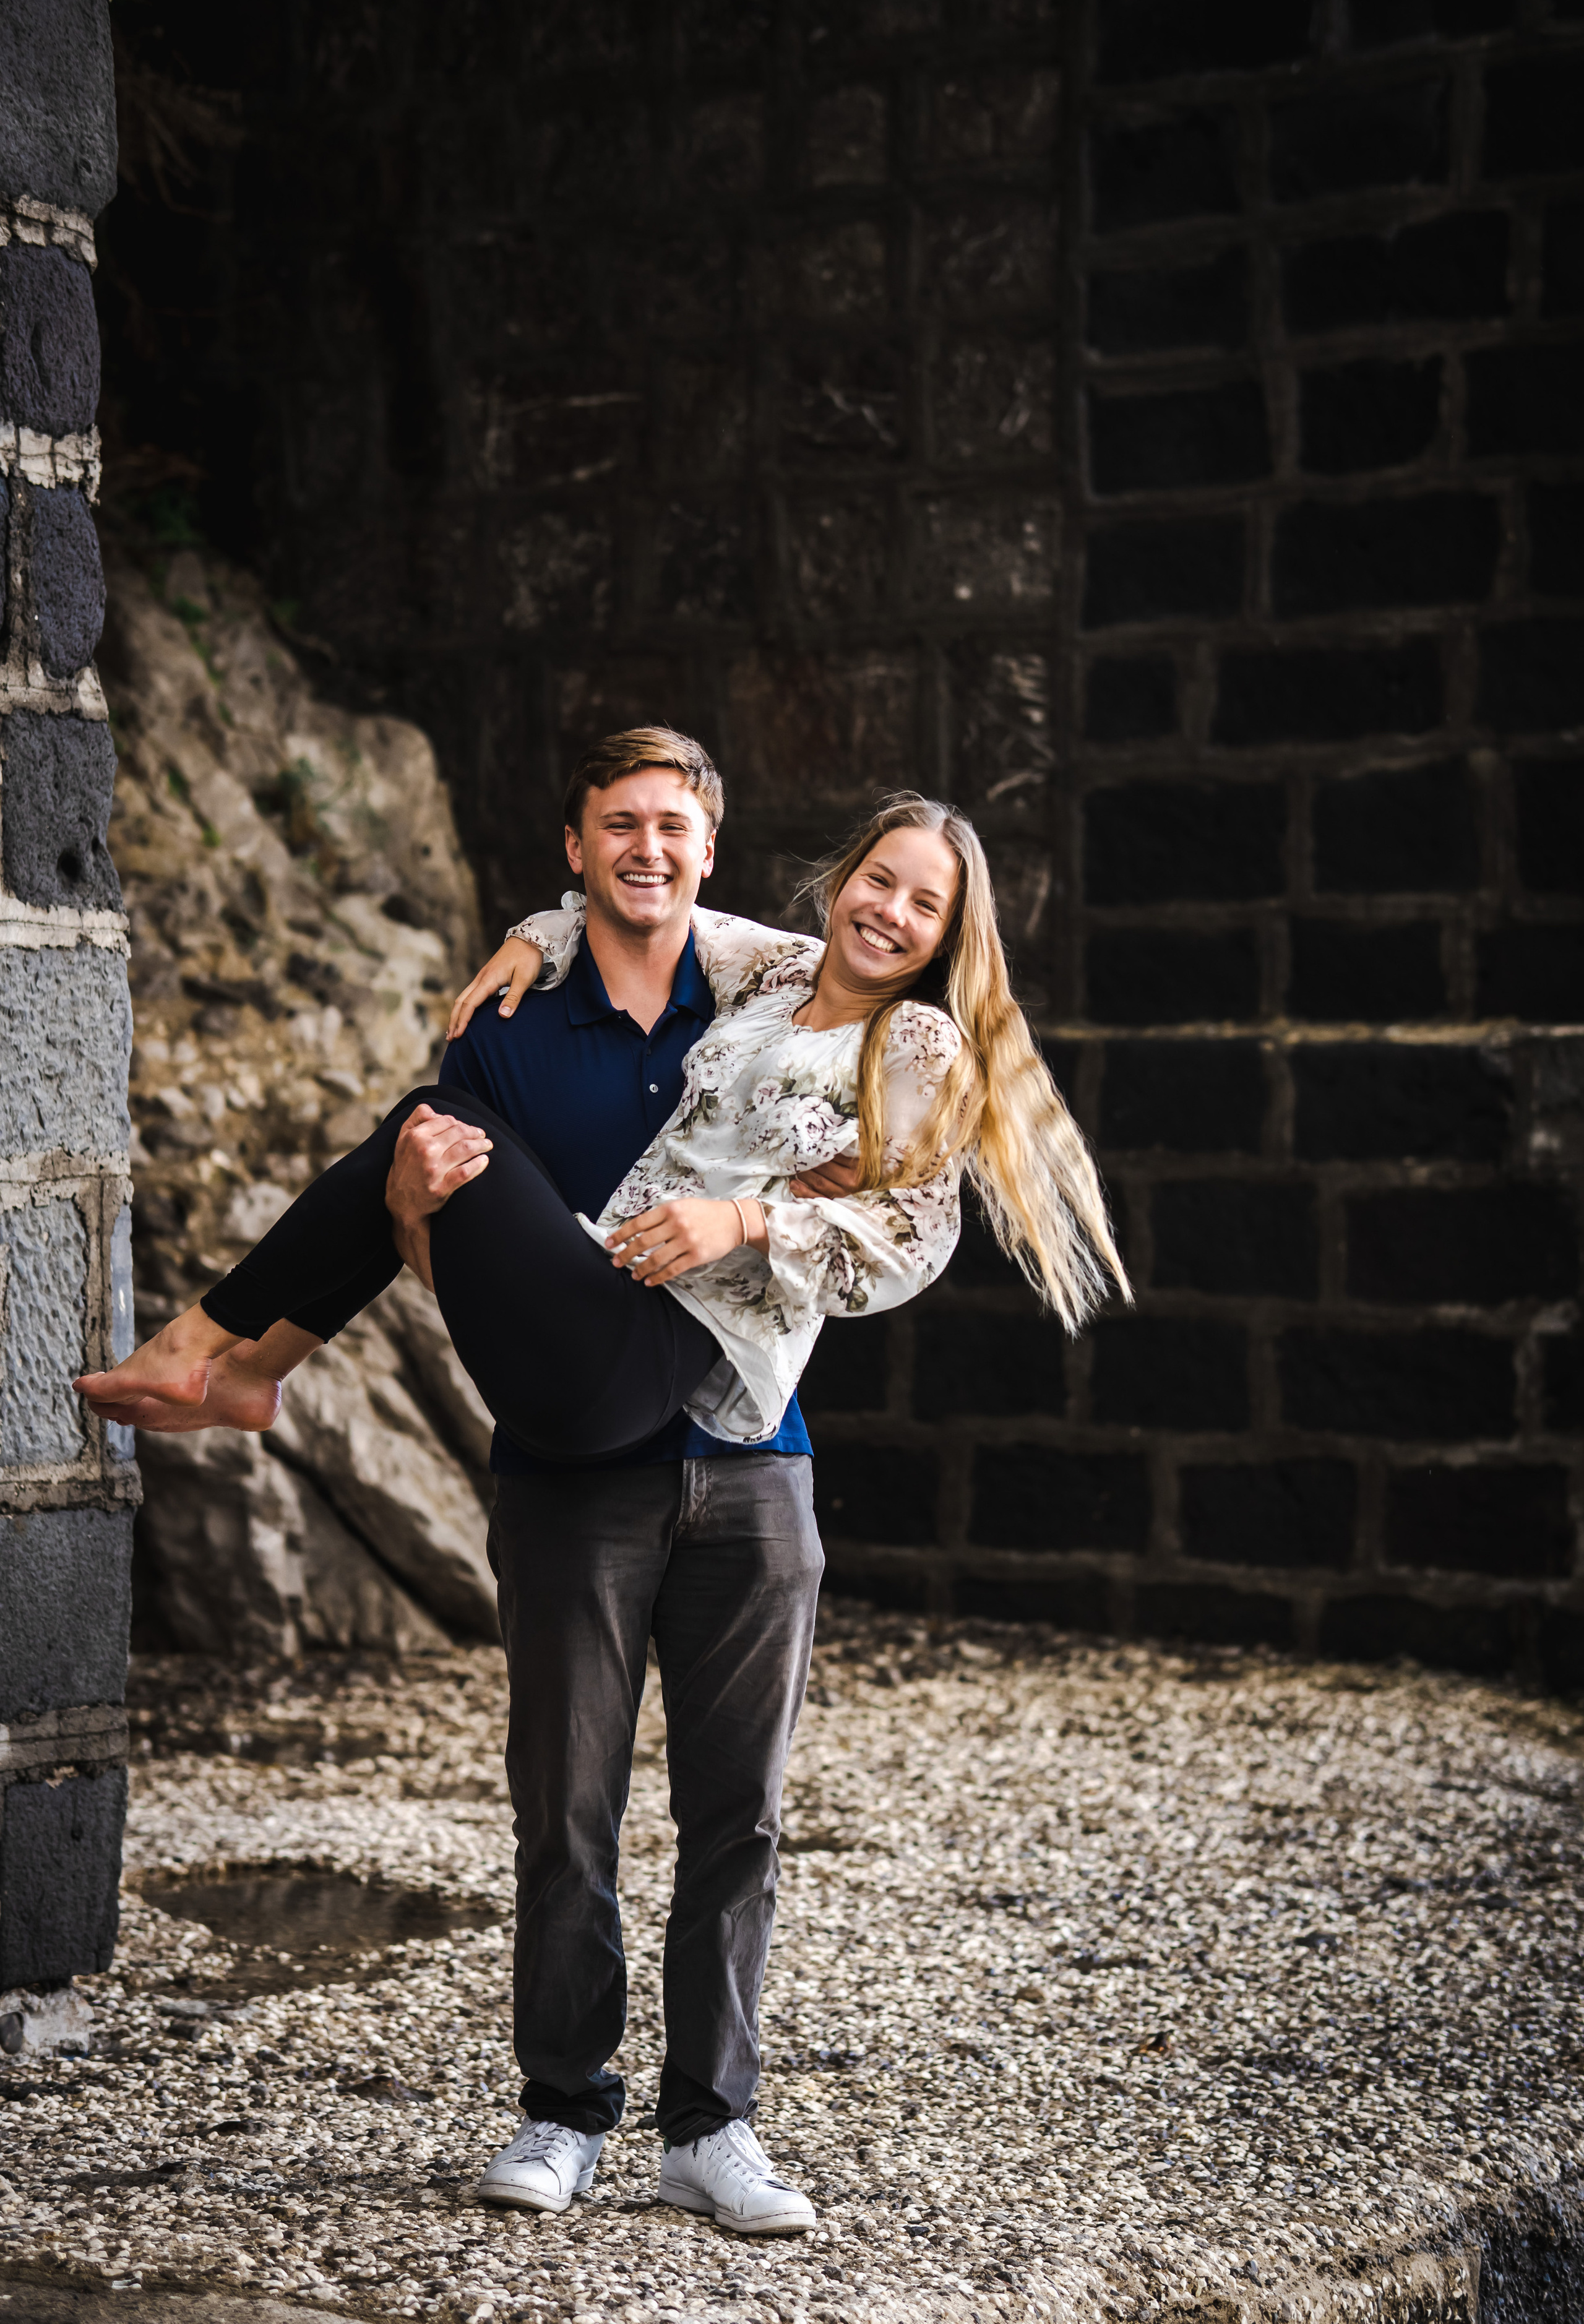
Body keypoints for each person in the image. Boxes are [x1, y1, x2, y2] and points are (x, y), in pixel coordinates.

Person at [79, 730, 1126, 2234]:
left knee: (735, 1817)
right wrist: (536, 929)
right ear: (834, 885)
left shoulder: (916, 1049)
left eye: (925, 909)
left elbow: (914, 1244)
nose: (891, 917)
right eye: (878, 884)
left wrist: (742, 1229)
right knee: (563, 1806)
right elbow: (643, 898)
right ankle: (562, 2112)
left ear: (951, 940)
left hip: (735, 1432)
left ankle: (712, 2133)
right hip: (596, 1382)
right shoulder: (762, 971)